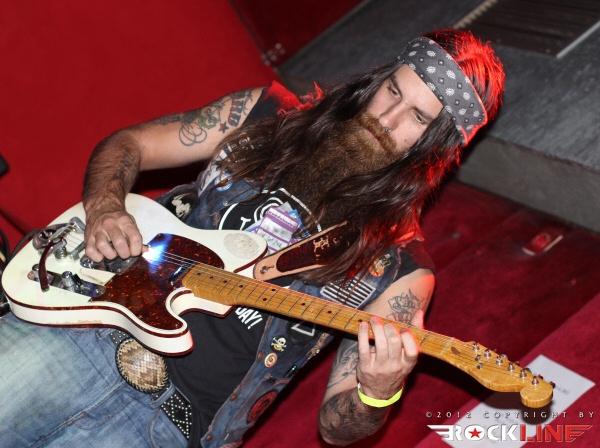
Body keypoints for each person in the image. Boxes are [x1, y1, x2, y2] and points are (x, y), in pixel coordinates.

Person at [0, 29, 504, 447]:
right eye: (393, 91)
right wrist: (106, 208)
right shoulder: (267, 115)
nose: (386, 118)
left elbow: (336, 428)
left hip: (168, 429)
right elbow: (129, 144)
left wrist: (378, 391)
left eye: (417, 117)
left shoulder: (400, 268)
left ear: (436, 146)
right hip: (84, 333)